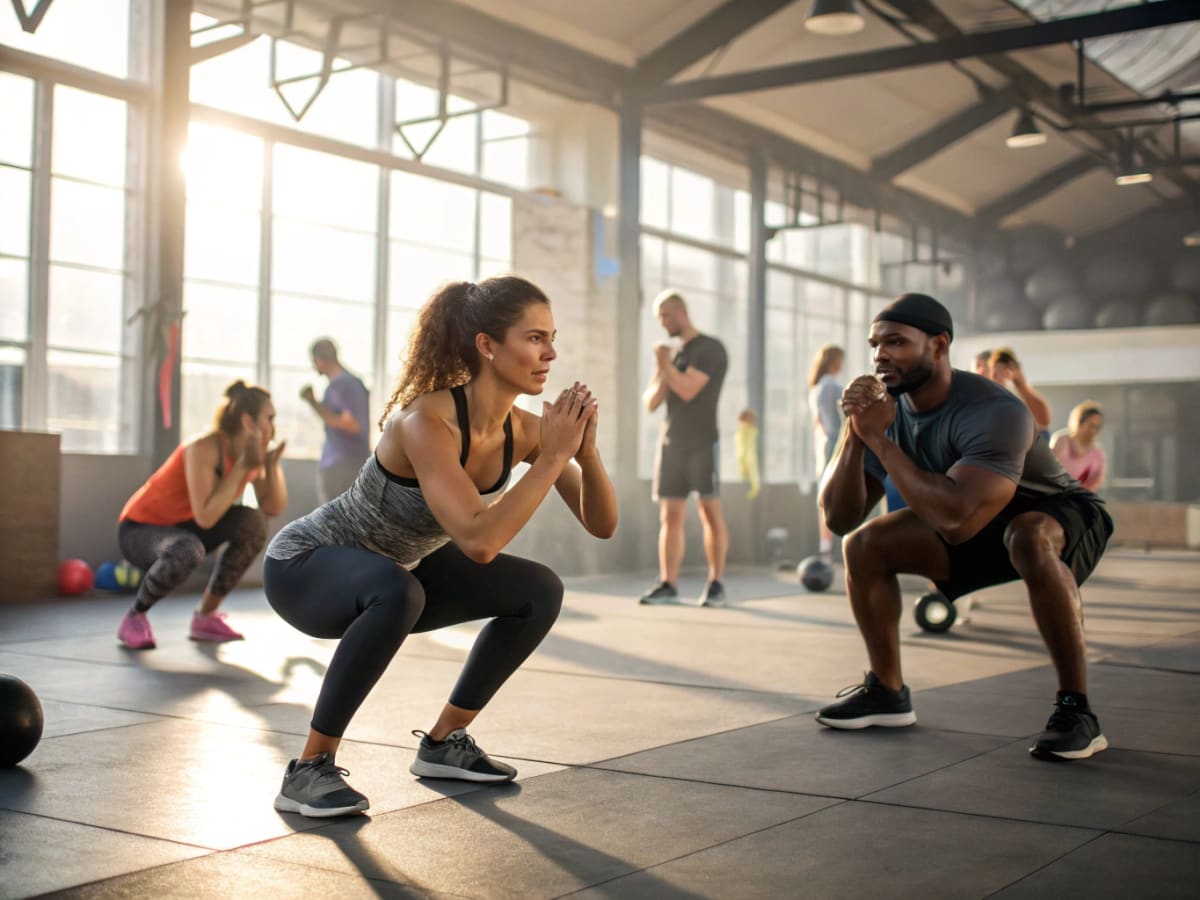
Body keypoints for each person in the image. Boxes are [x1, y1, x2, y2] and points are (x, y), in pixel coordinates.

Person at [263, 276, 617, 818]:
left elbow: (601, 524)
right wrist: (552, 458)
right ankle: (308, 769)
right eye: (534, 338)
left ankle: (444, 742)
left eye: (552, 338)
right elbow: (479, 541)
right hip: (304, 568)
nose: (550, 353)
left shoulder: (524, 430)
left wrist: (585, 455)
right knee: (398, 589)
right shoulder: (426, 422)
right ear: (487, 345)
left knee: (538, 589)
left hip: (398, 571)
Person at [817, 293, 1113, 762]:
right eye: (875, 345)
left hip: (1055, 510)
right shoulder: (885, 412)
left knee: (1027, 537)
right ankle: (887, 693)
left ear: (938, 345)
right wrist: (856, 433)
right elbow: (838, 518)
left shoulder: (994, 410)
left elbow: (956, 521)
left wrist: (879, 440)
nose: (880, 356)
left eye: (896, 342)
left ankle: (1077, 713)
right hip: (976, 516)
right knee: (863, 544)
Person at [116, 381, 288, 650]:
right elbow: (206, 517)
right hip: (140, 530)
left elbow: (272, 507)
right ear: (248, 421)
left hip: (186, 529)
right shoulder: (203, 448)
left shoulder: (251, 453)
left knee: (253, 523)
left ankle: (205, 617)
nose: (273, 428)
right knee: (188, 549)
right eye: (270, 418)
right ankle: (134, 618)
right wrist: (243, 467)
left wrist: (271, 465)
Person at [639, 289, 730, 609]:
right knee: (670, 515)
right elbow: (651, 402)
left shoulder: (710, 349)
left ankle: (716, 584)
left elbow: (689, 390)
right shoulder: (673, 356)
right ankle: (668, 584)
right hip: (671, 443)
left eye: (665, 316)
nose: (662, 323)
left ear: (680, 312)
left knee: (709, 512)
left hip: (703, 442)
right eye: (659, 318)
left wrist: (665, 364)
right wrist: (663, 365)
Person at [301, 338, 371, 505]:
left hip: (345, 465)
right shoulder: (340, 385)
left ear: (319, 360)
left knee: (339, 517)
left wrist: (313, 403)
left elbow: (352, 425)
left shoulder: (345, 385)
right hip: (340, 464)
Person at [808, 344, 845, 557]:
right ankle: (836, 548)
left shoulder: (816, 388)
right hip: (834, 444)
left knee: (825, 498)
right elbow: (838, 423)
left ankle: (826, 547)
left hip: (822, 447)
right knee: (836, 497)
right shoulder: (833, 387)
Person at [987, 347, 1052, 432]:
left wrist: (1020, 383)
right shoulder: (988, 401)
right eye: (995, 374)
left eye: (1004, 372)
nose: (1000, 378)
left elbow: (1044, 422)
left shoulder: (1022, 394)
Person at [1052, 401, 1106, 492]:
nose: (1093, 430)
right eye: (1091, 425)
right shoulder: (1061, 441)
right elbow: (1049, 471)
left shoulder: (1097, 455)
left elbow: (1095, 483)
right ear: (1079, 422)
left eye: (1097, 427)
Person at [734, 409, 761, 500]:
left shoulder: (750, 431)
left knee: (752, 474)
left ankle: (752, 491)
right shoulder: (742, 431)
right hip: (742, 455)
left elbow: (747, 445)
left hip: (748, 455)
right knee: (745, 473)